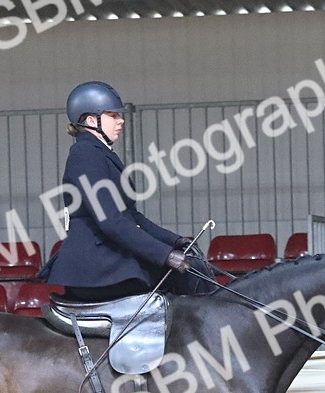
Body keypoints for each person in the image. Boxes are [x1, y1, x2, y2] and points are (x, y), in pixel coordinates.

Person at [40, 81, 213, 302]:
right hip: (95, 268)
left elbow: (131, 216)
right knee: (186, 275)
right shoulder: (84, 154)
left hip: (107, 260)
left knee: (194, 266)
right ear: (91, 120)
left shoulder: (100, 153)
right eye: (113, 115)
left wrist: (176, 241)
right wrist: (166, 255)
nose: (121, 120)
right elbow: (111, 221)